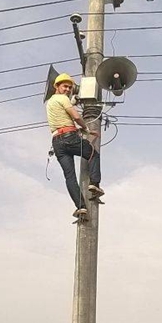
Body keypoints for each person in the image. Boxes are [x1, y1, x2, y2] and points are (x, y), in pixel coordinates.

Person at [46, 73, 104, 219]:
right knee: (92, 154)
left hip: (57, 142)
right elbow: (76, 117)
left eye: (70, 87)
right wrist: (87, 129)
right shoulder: (62, 99)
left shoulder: (51, 102)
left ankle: (81, 207)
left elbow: (63, 122)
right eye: (65, 86)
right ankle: (94, 184)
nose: (68, 89)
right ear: (57, 87)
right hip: (70, 138)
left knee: (69, 176)